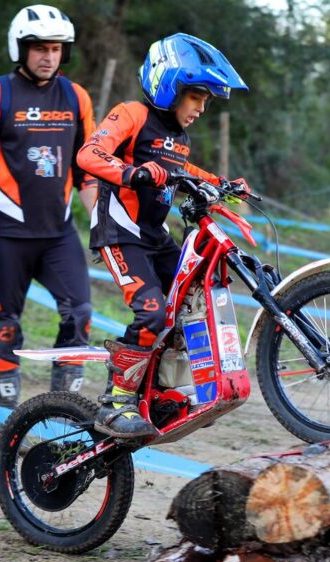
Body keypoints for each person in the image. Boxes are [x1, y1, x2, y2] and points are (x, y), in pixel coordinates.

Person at [76, 33, 248, 438]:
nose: (201, 108)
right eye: (196, 97)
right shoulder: (131, 113)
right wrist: (132, 173)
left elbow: (183, 173)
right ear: (169, 84)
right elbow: (88, 153)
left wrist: (223, 185)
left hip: (156, 237)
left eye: (206, 101)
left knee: (191, 303)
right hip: (120, 234)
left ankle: (160, 391)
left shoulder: (180, 137)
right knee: (152, 311)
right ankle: (114, 402)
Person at [0, 4, 97, 409]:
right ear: (20, 48)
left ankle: (62, 408)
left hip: (59, 234)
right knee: (6, 326)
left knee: (81, 312)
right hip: (5, 234)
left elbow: (88, 170)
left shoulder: (76, 97)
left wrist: (104, 226)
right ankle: (7, 419)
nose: (48, 57)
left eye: (56, 49)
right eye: (39, 48)